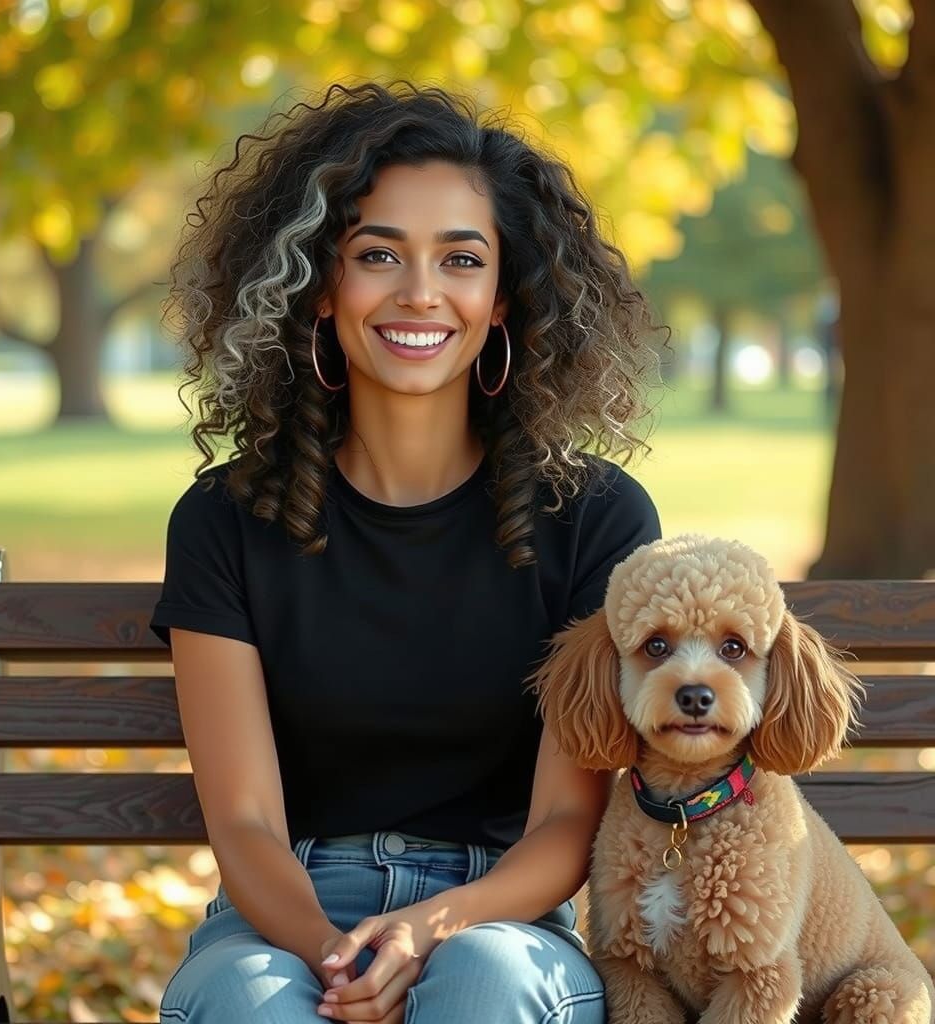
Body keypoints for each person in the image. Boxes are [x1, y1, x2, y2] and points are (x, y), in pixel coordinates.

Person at [149, 80, 664, 1024]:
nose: (420, 293)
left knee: (486, 988)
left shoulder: (596, 519)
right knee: (245, 999)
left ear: (503, 298)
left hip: (501, 918)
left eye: (460, 259)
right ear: (317, 287)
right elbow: (247, 822)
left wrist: (431, 929)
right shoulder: (224, 521)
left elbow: (563, 822)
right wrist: (335, 957)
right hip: (284, 915)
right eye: (376, 254)